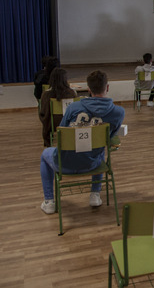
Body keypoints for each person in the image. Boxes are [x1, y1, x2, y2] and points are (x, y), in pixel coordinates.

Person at [39, 70, 125, 214]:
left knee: (44, 154)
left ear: (88, 89)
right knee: (99, 149)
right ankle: (95, 194)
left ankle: (49, 202)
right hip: (92, 164)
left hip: (64, 163)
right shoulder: (119, 112)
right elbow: (110, 137)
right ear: (107, 87)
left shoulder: (73, 107)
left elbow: (62, 134)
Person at [38, 68, 77, 147]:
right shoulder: (72, 93)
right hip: (69, 122)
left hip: (52, 124)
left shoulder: (46, 94)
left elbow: (43, 112)